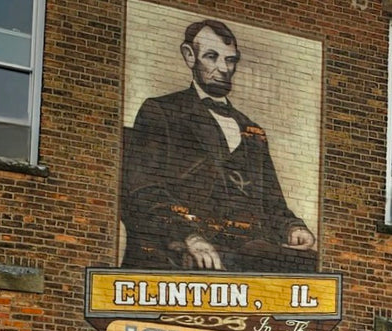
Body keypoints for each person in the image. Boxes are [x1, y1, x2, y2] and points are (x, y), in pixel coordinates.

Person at [121, 19, 317, 272]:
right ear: (190, 56)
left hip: (249, 248)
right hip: (184, 247)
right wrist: (189, 236)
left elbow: (273, 202)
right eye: (212, 57)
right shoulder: (162, 112)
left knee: (311, 266)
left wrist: (293, 227)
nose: (223, 68)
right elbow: (145, 190)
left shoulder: (252, 130)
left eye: (230, 60)